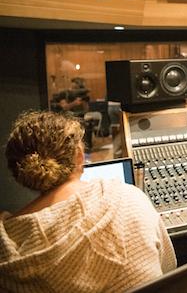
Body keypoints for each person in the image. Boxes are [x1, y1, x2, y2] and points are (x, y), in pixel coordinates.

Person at [0, 111, 177, 292]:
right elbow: (169, 268)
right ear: (79, 155)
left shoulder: (5, 247)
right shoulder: (128, 197)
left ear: (19, 171)